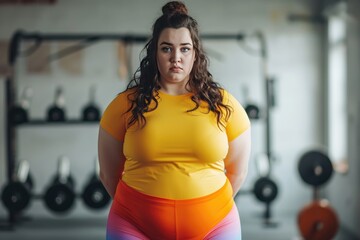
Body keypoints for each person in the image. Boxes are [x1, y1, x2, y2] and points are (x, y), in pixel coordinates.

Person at [98, 1, 251, 239]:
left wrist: (205, 208)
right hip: (133, 223)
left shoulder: (224, 105)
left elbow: (238, 172)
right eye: (166, 48)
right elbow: (108, 174)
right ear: (154, 52)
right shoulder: (124, 105)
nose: (176, 58)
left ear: (196, 53)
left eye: (185, 49)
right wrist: (140, 207)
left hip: (215, 224)